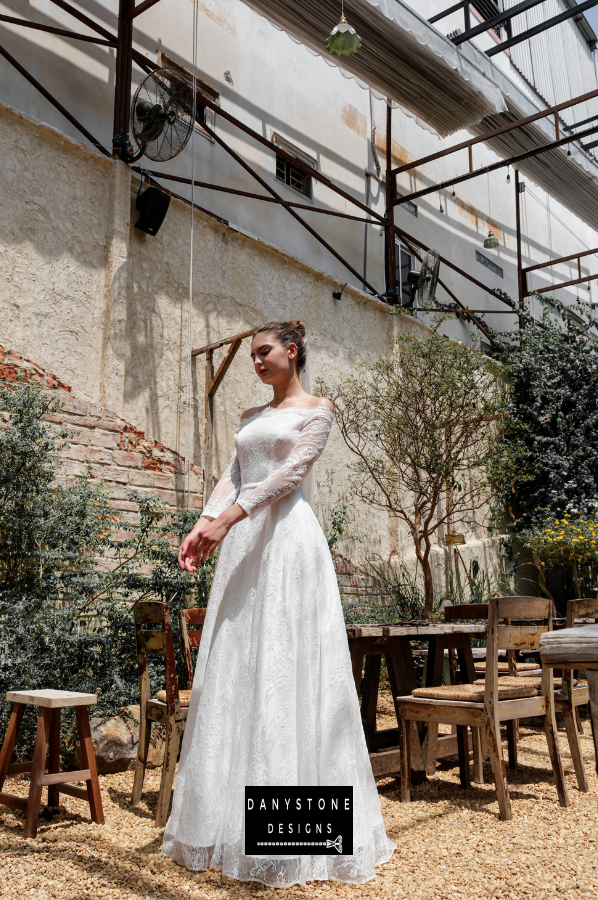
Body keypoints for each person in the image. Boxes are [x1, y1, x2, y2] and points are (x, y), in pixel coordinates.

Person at [162, 320, 396, 887]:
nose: (257, 362)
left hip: (288, 544)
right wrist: (201, 526)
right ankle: (230, 826)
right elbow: (233, 475)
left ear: (292, 351)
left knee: (288, 668)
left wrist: (225, 524)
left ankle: (295, 834)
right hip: (243, 545)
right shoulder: (249, 419)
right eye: (252, 356)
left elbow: (289, 476)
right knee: (240, 669)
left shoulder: (318, 410)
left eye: (264, 352)